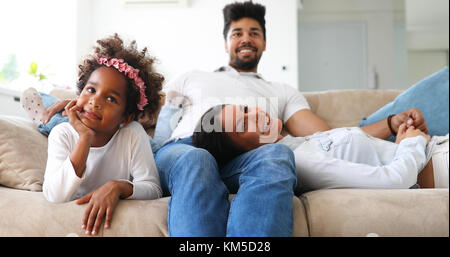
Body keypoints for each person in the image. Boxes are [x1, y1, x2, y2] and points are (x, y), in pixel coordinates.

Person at [33, 2, 431, 236]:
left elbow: (328, 136)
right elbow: (131, 106)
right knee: (195, 158)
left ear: (263, 42)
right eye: (238, 32)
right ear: (227, 41)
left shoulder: (281, 91)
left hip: (249, 155)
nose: (246, 38)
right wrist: (70, 102)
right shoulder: (193, 78)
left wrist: (392, 122)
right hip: (185, 150)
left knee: (279, 158)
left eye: (254, 32)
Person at [29, 34, 164, 236]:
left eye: (111, 98)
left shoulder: (133, 133)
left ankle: (51, 108)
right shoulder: (63, 134)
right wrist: (85, 139)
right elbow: (54, 195)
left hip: (136, 138)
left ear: (126, 117)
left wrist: (118, 186)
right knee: (53, 123)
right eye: (91, 90)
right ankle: (47, 112)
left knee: (156, 148)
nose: (95, 101)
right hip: (69, 124)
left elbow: (153, 188)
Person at [192, 104, 449, 194]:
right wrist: (412, 143)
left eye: (246, 109)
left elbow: (376, 161)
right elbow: (394, 181)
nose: (256, 115)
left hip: (436, 148)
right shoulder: (301, 161)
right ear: (243, 154)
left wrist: (399, 142)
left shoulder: (296, 142)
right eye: (243, 124)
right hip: (439, 165)